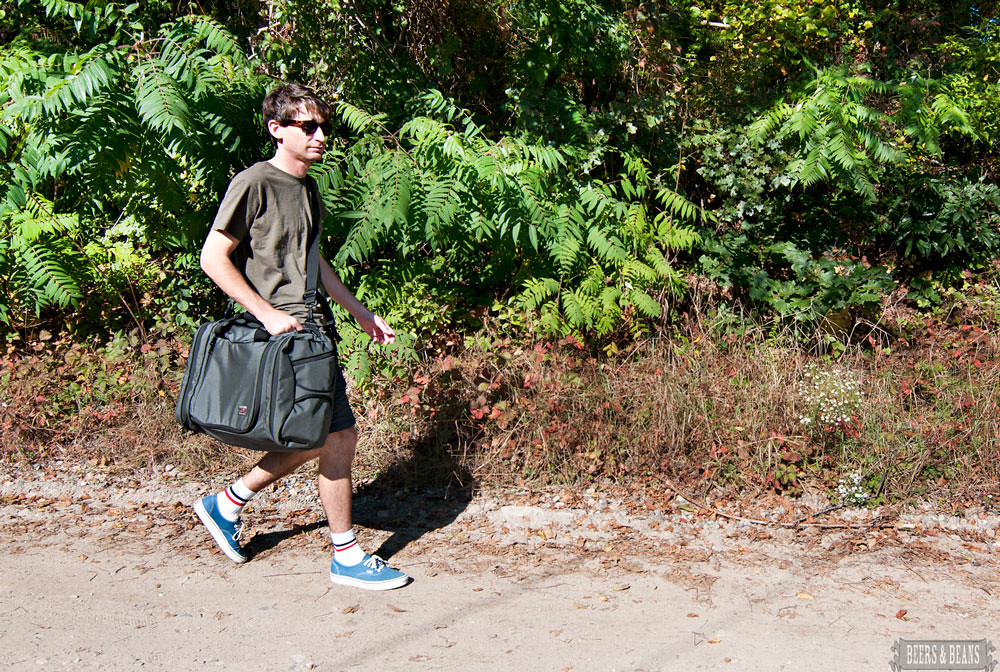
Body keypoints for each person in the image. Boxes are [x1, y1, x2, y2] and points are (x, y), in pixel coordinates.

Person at [192, 83, 408, 591]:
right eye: (307, 126)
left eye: (323, 127)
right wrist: (266, 313)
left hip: (312, 331)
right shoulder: (254, 183)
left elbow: (313, 259)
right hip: (279, 336)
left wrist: (359, 312)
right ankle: (346, 555)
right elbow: (212, 258)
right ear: (277, 129)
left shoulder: (308, 188)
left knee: (324, 436)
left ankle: (225, 504)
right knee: (334, 436)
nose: (320, 136)